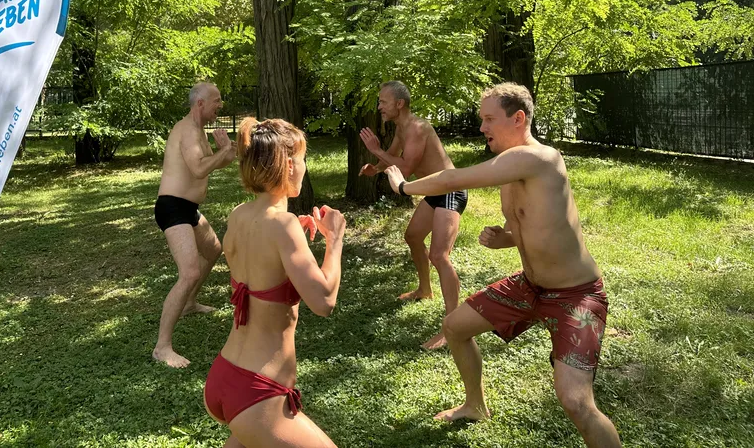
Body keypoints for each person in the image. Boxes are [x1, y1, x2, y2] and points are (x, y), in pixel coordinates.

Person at [384, 83, 621, 447]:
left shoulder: (537, 158)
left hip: (575, 295)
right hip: (530, 285)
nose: (482, 127)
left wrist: (403, 188)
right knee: (455, 327)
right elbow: (534, 225)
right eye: (482, 119)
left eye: (489, 119)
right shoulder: (511, 172)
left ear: (519, 118)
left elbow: (452, 179)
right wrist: (506, 238)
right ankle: (474, 405)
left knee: (575, 401)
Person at [204, 117, 346, 447]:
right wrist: (335, 240)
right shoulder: (283, 227)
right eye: (301, 158)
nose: (304, 166)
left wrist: (291, 237)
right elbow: (324, 301)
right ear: (286, 165)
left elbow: (259, 266)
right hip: (258, 391)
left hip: (226, 374)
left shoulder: (239, 214)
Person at [359, 81, 467, 349]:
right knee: (413, 236)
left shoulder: (417, 128)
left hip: (451, 189)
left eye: (383, 102)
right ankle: (424, 290)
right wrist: (376, 166)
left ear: (399, 104)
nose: (379, 106)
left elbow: (406, 168)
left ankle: (453, 327)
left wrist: (376, 151)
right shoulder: (400, 127)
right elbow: (393, 156)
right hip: (434, 190)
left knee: (439, 255)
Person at [152, 82, 236, 368]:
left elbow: (209, 164)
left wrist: (225, 151)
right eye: (217, 100)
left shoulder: (199, 131)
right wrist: (222, 153)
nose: (220, 105)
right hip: (172, 207)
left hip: (189, 209)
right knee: (188, 273)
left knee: (213, 250)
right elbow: (200, 168)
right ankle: (162, 347)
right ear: (200, 103)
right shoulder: (186, 130)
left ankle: (189, 303)